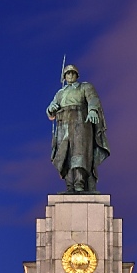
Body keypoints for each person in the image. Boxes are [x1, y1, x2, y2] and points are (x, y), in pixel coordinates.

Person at [46, 64, 110, 193]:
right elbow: (51, 109)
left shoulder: (85, 87)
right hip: (63, 123)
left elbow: (93, 99)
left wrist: (92, 110)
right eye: (68, 73)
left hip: (81, 121)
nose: (70, 75)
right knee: (65, 155)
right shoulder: (60, 93)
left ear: (77, 75)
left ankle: (79, 183)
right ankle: (70, 186)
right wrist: (50, 109)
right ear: (64, 76)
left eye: (72, 73)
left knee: (79, 154)